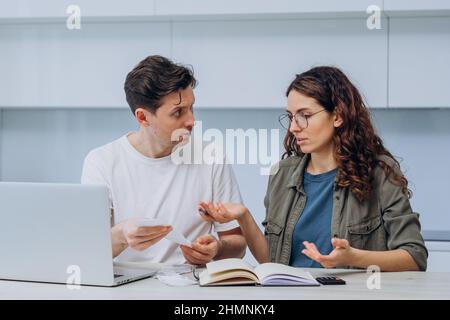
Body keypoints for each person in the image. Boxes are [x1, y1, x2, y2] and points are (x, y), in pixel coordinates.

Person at [199, 66, 428, 271]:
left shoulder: (379, 172)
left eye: (305, 116)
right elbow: (272, 262)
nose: (293, 128)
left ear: (337, 116)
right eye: (290, 117)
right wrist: (243, 216)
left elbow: (414, 257)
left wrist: (354, 257)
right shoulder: (282, 174)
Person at [81, 55, 246, 265]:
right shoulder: (101, 162)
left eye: (191, 108)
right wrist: (122, 235)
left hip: (191, 285)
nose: (192, 121)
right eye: (178, 112)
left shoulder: (211, 157)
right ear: (143, 117)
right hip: (126, 288)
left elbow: (237, 243)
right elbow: (88, 250)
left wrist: (217, 248)